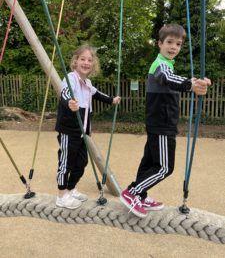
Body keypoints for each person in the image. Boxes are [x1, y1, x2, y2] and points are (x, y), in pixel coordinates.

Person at [120, 23, 211, 218]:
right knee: (164, 168)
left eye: (178, 44)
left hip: (159, 122)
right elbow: (169, 79)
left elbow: (173, 78)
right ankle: (132, 192)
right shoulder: (160, 65)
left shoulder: (167, 64)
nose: (173, 47)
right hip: (161, 124)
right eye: (169, 42)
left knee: (150, 163)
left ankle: (141, 195)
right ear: (159, 44)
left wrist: (193, 81)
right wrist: (191, 84)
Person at [55, 44, 121, 209]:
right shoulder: (71, 78)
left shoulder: (87, 82)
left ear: (93, 64)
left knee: (81, 162)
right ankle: (61, 195)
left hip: (83, 132)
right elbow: (65, 93)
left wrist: (112, 100)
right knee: (66, 162)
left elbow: (97, 94)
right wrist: (69, 102)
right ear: (75, 61)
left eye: (89, 60)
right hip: (69, 130)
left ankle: (71, 188)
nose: (86, 62)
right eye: (82, 59)